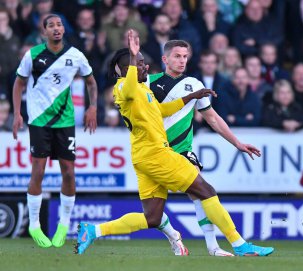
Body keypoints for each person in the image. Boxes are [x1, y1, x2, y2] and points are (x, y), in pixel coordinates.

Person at [75, 30, 274, 257]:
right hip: (157, 153)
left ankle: (93, 230)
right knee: (206, 191)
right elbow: (129, 86)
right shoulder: (125, 87)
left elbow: (162, 109)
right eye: (140, 64)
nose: (145, 67)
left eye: (184, 56)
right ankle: (239, 244)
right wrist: (132, 57)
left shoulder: (142, 90)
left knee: (153, 218)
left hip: (144, 157)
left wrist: (192, 96)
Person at [148, 41, 260, 256]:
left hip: (182, 150)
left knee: (201, 193)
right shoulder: (148, 83)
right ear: (165, 59)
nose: (182, 61)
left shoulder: (194, 84)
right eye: (177, 56)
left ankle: (214, 246)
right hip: (155, 152)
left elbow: (213, 118)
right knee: (153, 214)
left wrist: (238, 143)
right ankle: (174, 237)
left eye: (184, 56)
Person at [12, 14, 98, 248]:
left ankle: (64, 224)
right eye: (51, 26)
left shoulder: (75, 55)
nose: (57, 28)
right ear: (44, 32)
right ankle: (34, 224)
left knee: (69, 172)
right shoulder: (33, 55)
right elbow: (19, 83)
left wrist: (92, 107)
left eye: (60, 24)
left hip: (65, 121)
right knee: (38, 169)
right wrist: (17, 113)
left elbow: (91, 81)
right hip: (39, 120)